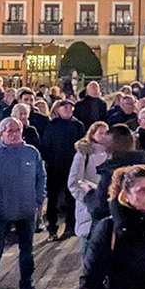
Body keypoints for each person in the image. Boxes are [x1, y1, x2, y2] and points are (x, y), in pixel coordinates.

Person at [0, 117, 47, 289]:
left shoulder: (31, 153)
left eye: (17, 130)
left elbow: (41, 176)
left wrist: (38, 199)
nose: (14, 133)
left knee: (27, 252)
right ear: (1, 134)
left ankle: (27, 286)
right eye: (9, 131)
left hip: (27, 211)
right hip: (1, 214)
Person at [40, 100, 85, 240]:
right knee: (52, 199)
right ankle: (52, 228)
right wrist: (51, 160)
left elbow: (82, 145)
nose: (68, 109)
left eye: (70, 107)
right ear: (57, 109)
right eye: (64, 107)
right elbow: (46, 145)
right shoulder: (51, 125)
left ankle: (70, 227)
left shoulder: (78, 125)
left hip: (73, 167)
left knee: (72, 198)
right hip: (55, 167)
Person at [69, 121, 114, 243]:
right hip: (89, 204)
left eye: (106, 133)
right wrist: (89, 198)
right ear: (92, 134)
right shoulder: (84, 153)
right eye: (100, 133)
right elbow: (74, 181)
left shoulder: (111, 153)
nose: (103, 136)